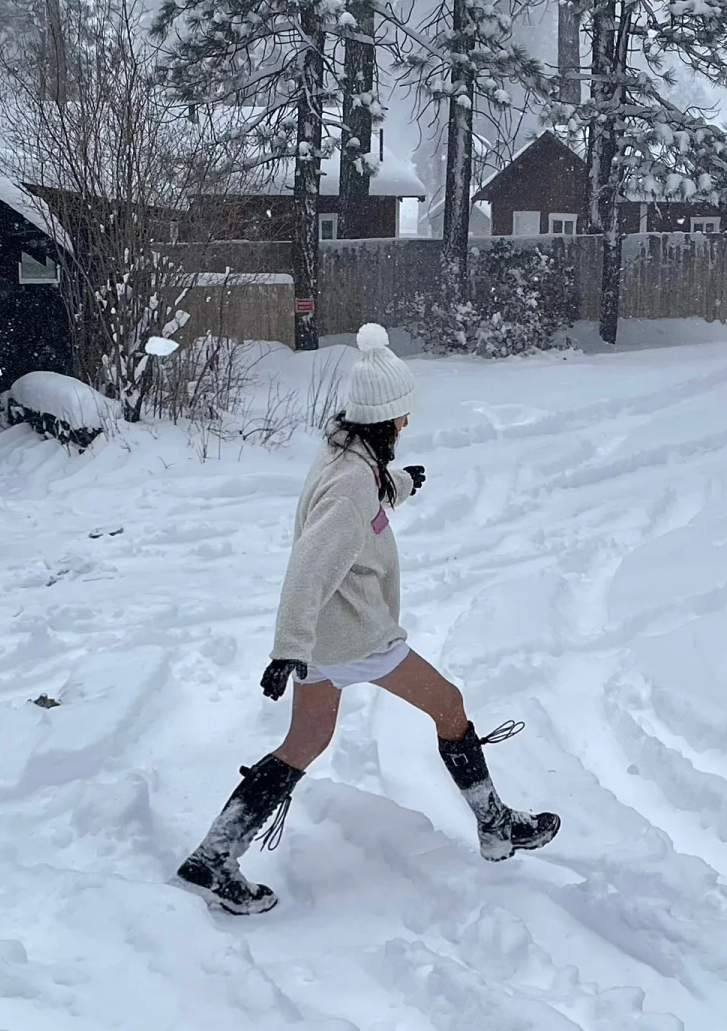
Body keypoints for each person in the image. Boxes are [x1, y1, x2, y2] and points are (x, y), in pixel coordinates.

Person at [175, 323, 560, 915]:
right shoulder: (354, 482)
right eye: (402, 416)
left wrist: (399, 485)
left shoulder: (346, 455)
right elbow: (311, 562)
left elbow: (361, 498)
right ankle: (496, 826)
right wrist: (288, 646)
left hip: (329, 637)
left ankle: (213, 855)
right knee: (449, 706)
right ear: (384, 420)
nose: (407, 425)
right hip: (353, 633)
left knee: (306, 740)